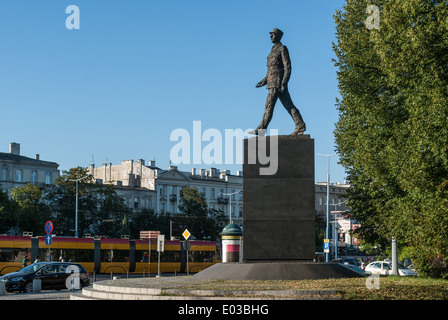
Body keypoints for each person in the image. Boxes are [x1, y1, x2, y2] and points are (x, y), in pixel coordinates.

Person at [251, 28, 306, 136]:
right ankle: (300, 125)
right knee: (289, 105)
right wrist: (264, 81)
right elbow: (271, 69)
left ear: (279, 36)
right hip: (272, 82)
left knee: (269, 105)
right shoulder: (273, 50)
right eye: (270, 34)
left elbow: (288, 67)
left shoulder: (282, 48)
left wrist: (284, 83)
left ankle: (262, 129)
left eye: (273, 34)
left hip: (278, 82)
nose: (271, 36)